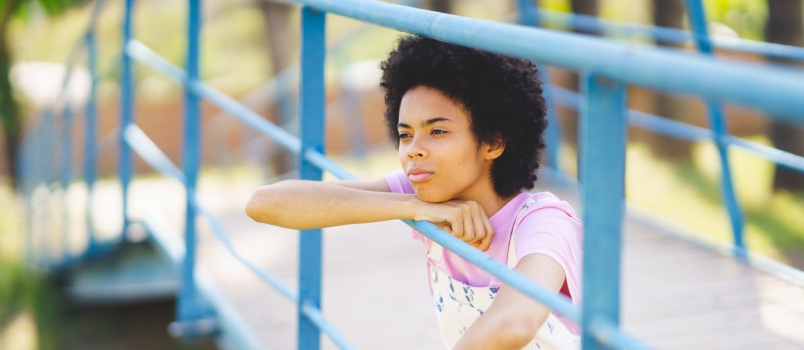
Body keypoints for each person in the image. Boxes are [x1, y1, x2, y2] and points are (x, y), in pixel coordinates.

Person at [246, 35, 582, 349]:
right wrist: (412, 207)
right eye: (406, 135)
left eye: (437, 131)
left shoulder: (544, 222)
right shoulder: (426, 195)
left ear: (493, 142)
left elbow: (514, 324)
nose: (413, 151)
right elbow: (265, 204)